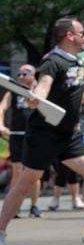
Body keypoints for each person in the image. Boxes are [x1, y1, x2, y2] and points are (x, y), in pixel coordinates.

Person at [0, 18, 84, 245]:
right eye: (82, 33)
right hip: (45, 133)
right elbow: (43, 86)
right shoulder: (52, 62)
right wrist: (37, 98)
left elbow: (72, 98)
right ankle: (0, 229)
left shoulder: (79, 61)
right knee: (25, 184)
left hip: (69, 134)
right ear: (69, 36)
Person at [0, 64, 44, 218]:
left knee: (33, 171)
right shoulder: (13, 91)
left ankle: (34, 205)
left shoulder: (41, 89)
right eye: (19, 73)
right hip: (17, 134)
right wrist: (1, 125)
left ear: (33, 74)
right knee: (17, 170)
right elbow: (2, 108)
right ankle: (15, 206)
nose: (21, 76)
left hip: (35, 134)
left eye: (25, 73)